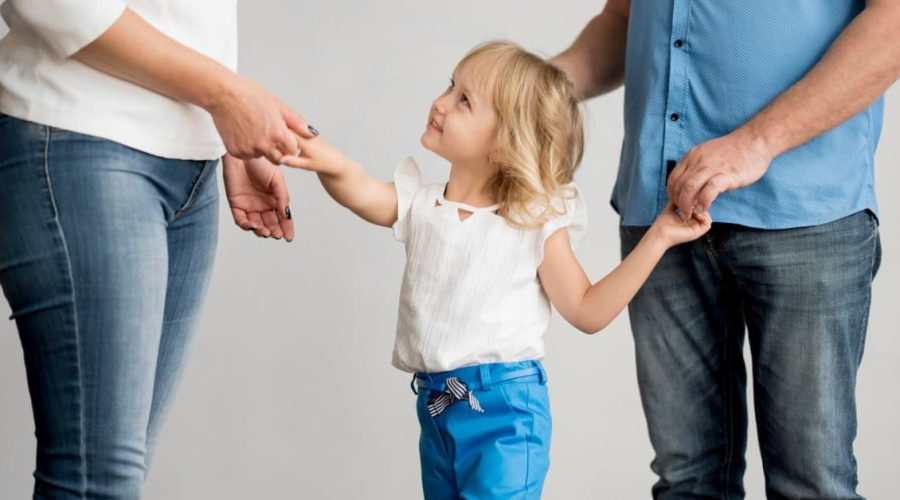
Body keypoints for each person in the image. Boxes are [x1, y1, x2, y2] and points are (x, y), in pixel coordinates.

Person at [277, 41, 711, 499]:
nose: (441, 103)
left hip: (505, 411)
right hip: (438, 406)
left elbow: (587, 310)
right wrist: (326, 158)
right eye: (450, 85)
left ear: (506, 142)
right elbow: (361, 190)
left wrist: (659, 236)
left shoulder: (532, 219)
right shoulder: (424, 206)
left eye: (464, 100)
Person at [552, 0, 900, 497]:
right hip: (661, 214)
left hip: (805, 211)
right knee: (688, 483)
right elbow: (625, 19)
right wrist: (528, 86)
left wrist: (758, 141)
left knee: (812, 485)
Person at [0, 1, 314, 498]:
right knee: (97, 483)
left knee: (111, 476)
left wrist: (223, 125)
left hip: (192, 166)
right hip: (80, 137)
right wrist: (224, 95)